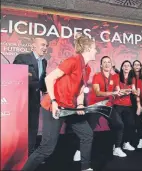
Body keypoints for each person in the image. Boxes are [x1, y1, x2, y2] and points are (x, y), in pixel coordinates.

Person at [22, 34, 97, 171]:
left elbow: (80, 89)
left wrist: (80, 104)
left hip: (69, 107)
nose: (96, 51)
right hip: (54, 107)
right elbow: (49, 78)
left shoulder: (87, 68)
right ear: (87, 48)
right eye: (94, 48)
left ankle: (86, 167)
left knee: (87, 134)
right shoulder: (73, 61)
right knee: (46, 148)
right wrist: (54, 101)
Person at [13, 37, 48, 156]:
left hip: (35, 100)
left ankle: (30, 154)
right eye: (42, 45)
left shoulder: (44, 61)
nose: (45, 48)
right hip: (21, 100)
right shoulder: (22, 58)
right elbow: (15, 76)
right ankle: (18, 155)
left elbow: (42, 80)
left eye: (46, 46)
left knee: (33, 128)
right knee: (19, 129)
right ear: (33, 46)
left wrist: (47, 91)